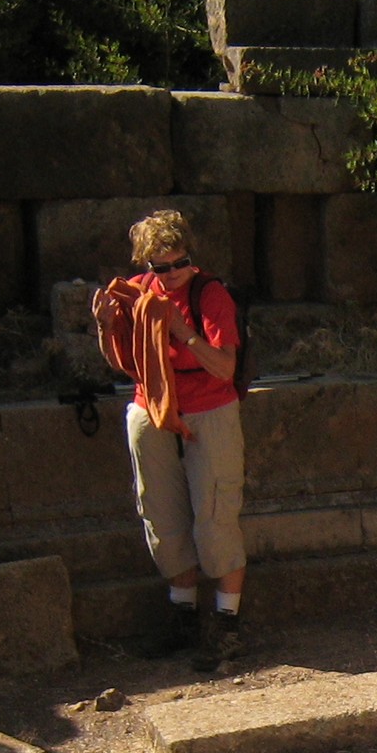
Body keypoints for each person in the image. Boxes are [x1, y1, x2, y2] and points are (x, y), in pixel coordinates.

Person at [93, 211, 247, 672]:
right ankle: (182, 614)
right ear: (146, 265)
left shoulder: (209, 295)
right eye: (162, 267)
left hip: (208, 406)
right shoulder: (139, 293)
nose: (173, 273)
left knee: (215, 513)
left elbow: (225, 368)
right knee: (159, 509)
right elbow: (125, 363)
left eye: (180, 262)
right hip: (153, 404)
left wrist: (183, 333)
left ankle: (226, 625)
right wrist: (104, 326)